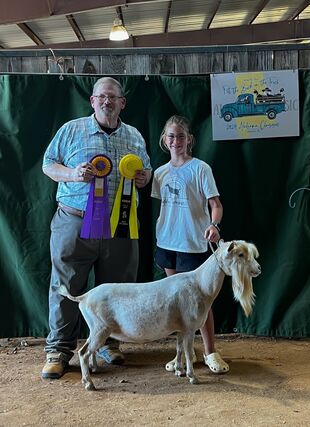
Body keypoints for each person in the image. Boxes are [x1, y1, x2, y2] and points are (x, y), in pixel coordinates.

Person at [41, 77, 152, 379]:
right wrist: (73, 174)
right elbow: (48, 165)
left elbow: (146, 169)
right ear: (92, 101)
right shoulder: (71, 129)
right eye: (101, 97)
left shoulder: (134, 136)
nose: (107, 101)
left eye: (113, 97)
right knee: (66, 287)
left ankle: (111, 345)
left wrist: (144, 178)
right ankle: (59, 350)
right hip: (75, 221)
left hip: (121, 223)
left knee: (119, 289)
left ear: (122, 103)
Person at [151, 115, 229, 374]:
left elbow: (215, 205)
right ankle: (184, 354)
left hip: (194, 245)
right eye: (171, 136)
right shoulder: (160, 173)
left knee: (201, 304)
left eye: (181, 136)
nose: (176, 141)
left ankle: (210, 352)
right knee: (176, 304)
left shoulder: (201, 168)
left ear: (189, 140)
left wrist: (213, 226)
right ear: (165, 140)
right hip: (167, 244)